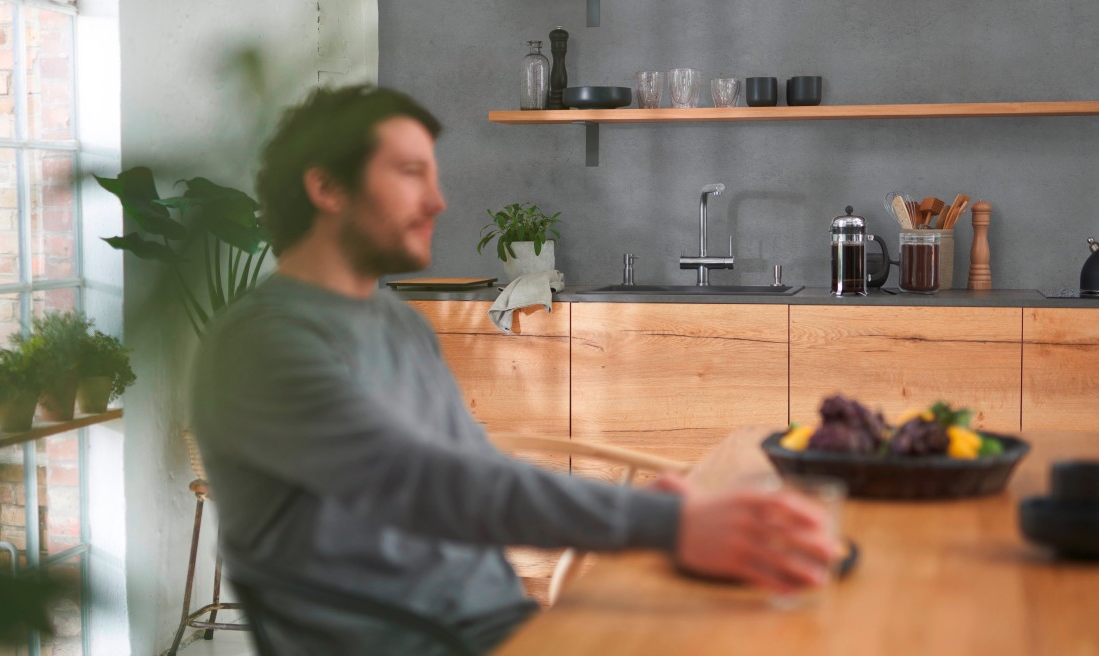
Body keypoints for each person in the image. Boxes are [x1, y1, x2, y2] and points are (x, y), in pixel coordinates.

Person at [191, 84, 836, 655]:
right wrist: (667, 526)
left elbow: (475, 467)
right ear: (326, 187)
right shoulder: (259, 345)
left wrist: (635, 511)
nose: (438, 201)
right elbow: (429, 484)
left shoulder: (394, 323)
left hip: (509, 627)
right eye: (410, 173)